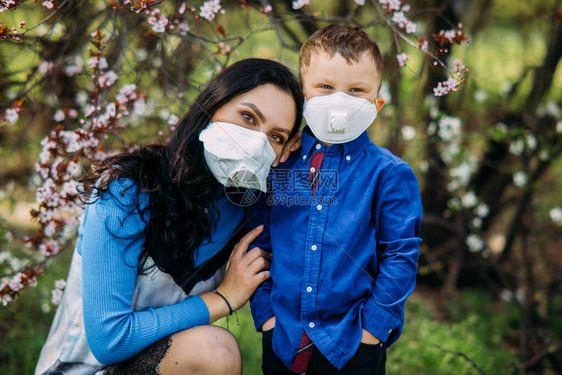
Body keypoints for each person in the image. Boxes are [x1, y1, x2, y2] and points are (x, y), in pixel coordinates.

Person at [35, 58, 304, 375]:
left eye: (276, 137)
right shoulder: (128, 189)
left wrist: (310, 151)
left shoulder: (248, 206)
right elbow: (109, 340)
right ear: (211, 106)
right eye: (247, 117)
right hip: (84, 370)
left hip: (165, 362)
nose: (257, 142)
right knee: (216, 351)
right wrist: (223, 298)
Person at [250, 25, 423, 374]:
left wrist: (372, 329)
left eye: (356, 90)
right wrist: (265, 313)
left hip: (352, 342)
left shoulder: (388, 174)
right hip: (283, 336)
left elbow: (400, 255)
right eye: (325, 87)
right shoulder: (279, 161)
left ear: (377, 102)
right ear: (303, 95)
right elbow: (258, 240)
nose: (339, 100)